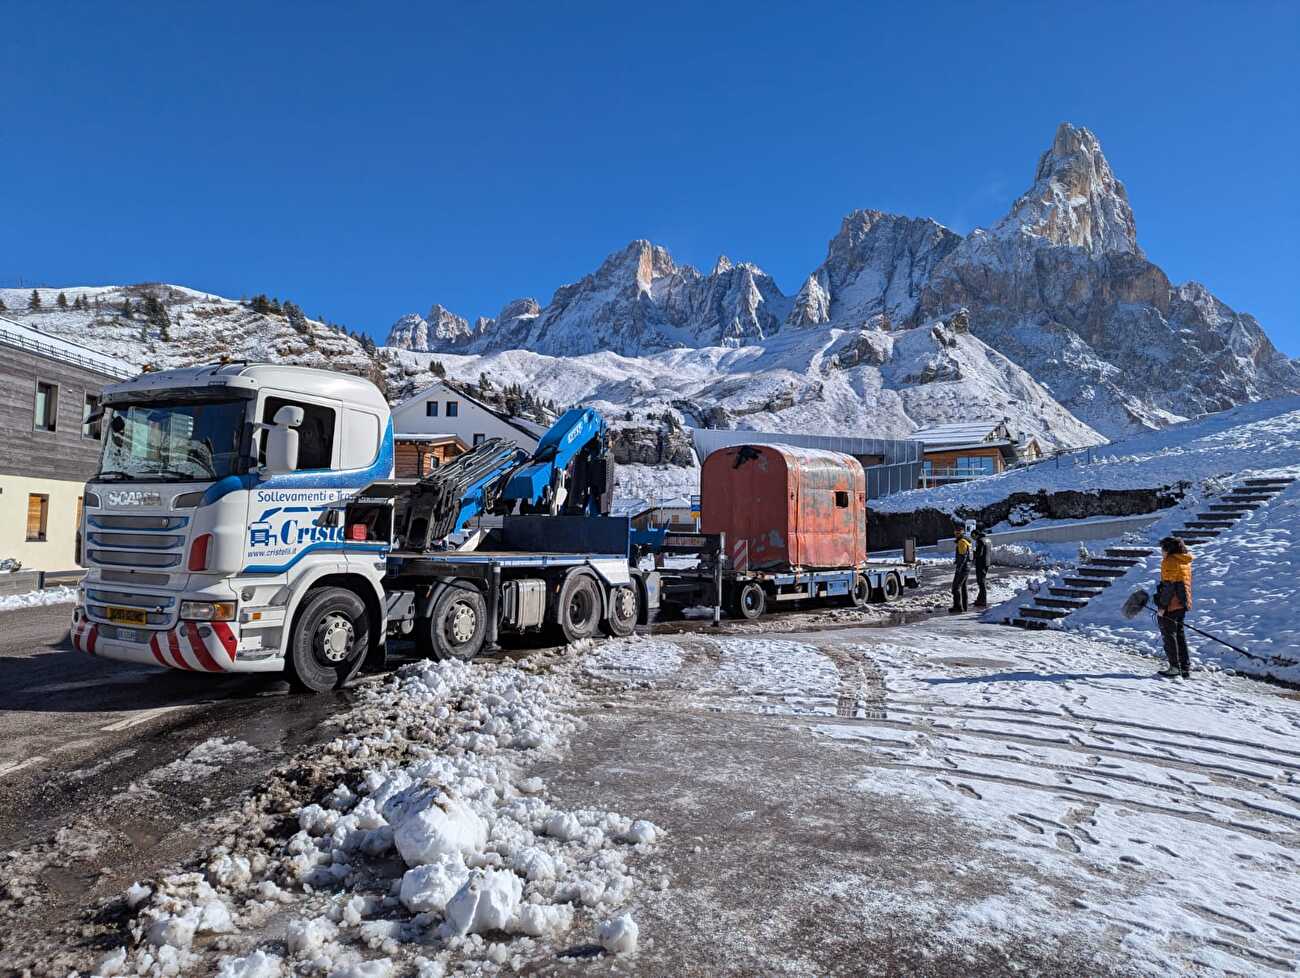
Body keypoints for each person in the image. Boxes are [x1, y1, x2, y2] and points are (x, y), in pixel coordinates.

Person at [1155, 536, 1193, 678]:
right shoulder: (1184, 560)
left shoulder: (1170, 561)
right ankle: (1184, 667)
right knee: (1179, 634)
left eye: (1163, 548)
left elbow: (1169, 586)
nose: (1161, 552)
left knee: (1169, 635)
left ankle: (1174, 667)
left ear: (1168, 549)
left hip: (1171, 604)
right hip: (1182, 603)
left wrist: (1162, 606)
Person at [950, 525, 971, 613]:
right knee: (963, 587)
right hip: (966, 567)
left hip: (963, 568)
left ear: (962, 533)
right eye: (956, 532)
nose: (956, 534)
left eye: (958, 533)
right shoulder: (965, 541)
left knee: (955, 588)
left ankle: (957, 607)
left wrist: (959, 568)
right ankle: (964, 606)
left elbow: (963, 556)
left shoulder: (962, 542)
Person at [973, 527, 991, 608]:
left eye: (973, 537)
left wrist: (971, 552)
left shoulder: (979, 541)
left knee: (981, 582)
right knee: (982, 581)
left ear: (976, 535)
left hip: (981, 563)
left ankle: (983, 600)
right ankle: (980, 599)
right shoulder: (987, 539)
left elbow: (979, 554)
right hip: (987, 562)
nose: (973, 539)